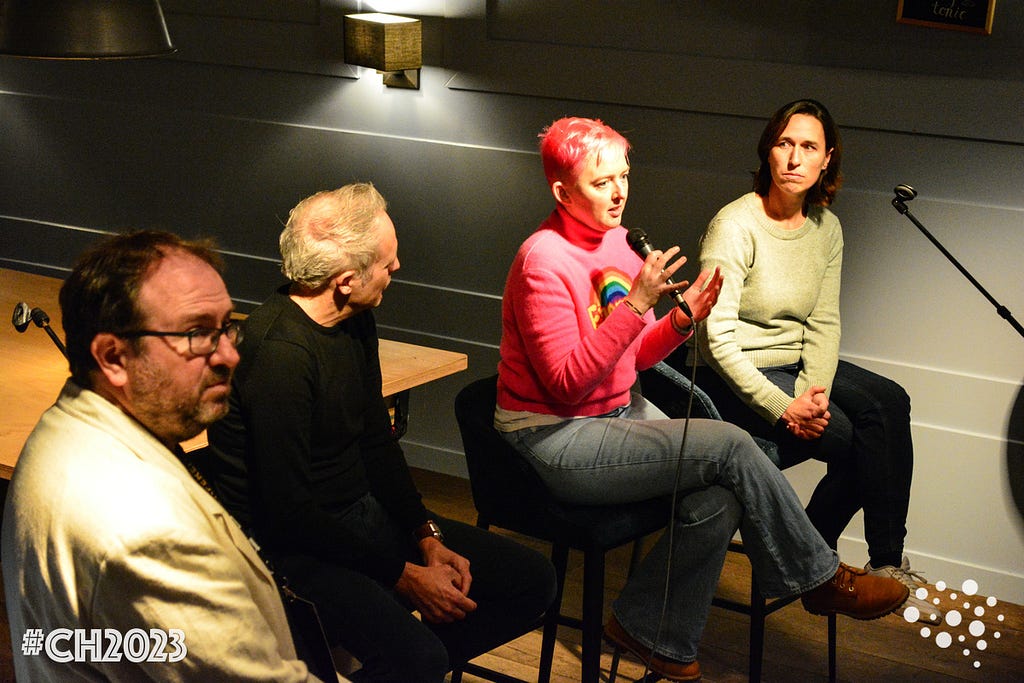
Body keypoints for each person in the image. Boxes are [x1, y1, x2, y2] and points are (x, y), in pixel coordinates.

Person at [495, 116, 910, 680]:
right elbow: (567, 383)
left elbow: (635, 356)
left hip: (618, 413)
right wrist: (637, 305)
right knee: (734, 448)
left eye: (624, 176)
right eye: (601, 183)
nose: (619, 192)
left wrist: (682, 317)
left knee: (720, 491)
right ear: (563, 192)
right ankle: (819, 577)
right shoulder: (542, 260)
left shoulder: (613, 240)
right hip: (557, 433)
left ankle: (649, 629)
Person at [204, 182, 557, 683]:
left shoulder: (354, 319)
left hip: (359, 517)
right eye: (387, 262)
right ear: (346, 280)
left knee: (530, 581)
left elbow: (376, 441)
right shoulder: (279, 354)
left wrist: (425, 536)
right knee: (419, 660)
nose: (397, 269)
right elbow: (289, 513)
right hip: (294, 548)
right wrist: (404, 575)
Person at [1, 231, 326, 681]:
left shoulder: (72, 421)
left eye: (225, 326)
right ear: (113, 357)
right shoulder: (146, 531)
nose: (230, 354)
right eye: (196, 334)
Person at [691, 98, 937, 622]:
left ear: (827, 159)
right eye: (784, 144)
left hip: (794, 361)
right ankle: (813, 568)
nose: (794, 158)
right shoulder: (733, 226)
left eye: (809, 147)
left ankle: (885, 565)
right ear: (768, 151)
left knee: (890, 404)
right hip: (734, 374)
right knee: (858, 442)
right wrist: (784, 407)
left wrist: (814, 391)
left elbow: (823, 323)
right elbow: (716, 341)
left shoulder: (826, 228)